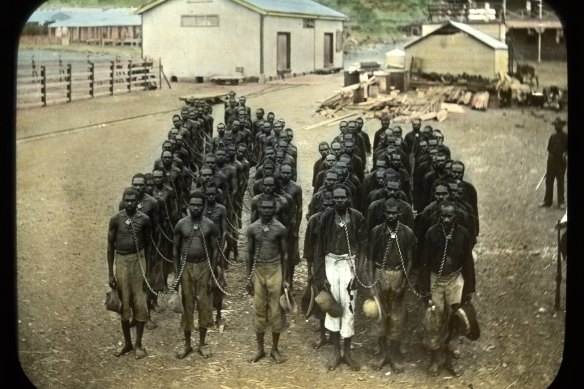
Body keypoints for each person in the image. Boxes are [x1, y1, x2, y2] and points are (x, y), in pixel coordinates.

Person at [418, 201, 476, 377]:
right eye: (443, 215)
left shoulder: (463, 234)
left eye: (450, 216)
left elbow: (468, 262)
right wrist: (424, 290)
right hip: (436, 279)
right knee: (435, 319)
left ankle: (449, 360)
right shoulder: (431, 233)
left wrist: (469, 288)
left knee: (454, 321)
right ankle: (435, 360)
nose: (446, 219)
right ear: (439, 215)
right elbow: (425, 262)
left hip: (455, 280)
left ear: (455, 216)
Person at [314, 184, 366, 371]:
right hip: (330, 263)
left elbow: (362, 247)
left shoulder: (357, 217)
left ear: (348, 198)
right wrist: (321, 278)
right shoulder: (325, 218)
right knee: (332, 306)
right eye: (335, 198)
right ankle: (336, 353)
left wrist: (357, 273)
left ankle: (348, 353)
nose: (339, 201)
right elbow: (319, 248)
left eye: (342, 197)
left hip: (349, 264)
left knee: (349, 308)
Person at [368, 198, 417, 373]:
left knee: (397, 317)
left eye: (394, 213)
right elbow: (371, 259)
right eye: (388, 213)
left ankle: (394, 356)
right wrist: (372, 283)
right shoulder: (377, 232)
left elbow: (411, 260)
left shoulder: (407, 233)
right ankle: (382, 355)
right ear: (384, 214)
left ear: (399, 214)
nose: (391, 216)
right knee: (380, 315)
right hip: (381, 273)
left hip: (398, 274)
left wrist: (404, 284)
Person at [173, 192, 220, 359]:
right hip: (186, 267)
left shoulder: (209, 225)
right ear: (188, 205)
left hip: (204, 266)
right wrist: (177, 274)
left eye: (199, 205)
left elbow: (215, 251)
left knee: (205, 304)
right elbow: (176, 250)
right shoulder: (181, 225)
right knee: (187, 304)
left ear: (204, 206)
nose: (195, 208)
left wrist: (212, 274)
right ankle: (187, 344)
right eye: (193, 205)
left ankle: (201, 343)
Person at [107, 187, 152, 359]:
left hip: (138, 260)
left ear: (138, 201)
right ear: (123, 200)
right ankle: (127, 343)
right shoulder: (116, 220)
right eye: (127, 200)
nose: (130, 203)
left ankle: (139, 344)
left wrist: (146, 272)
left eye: (133, 200)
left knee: (139, 302)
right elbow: (110, 246)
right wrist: (111, 273)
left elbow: (148, 246)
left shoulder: (145, 220)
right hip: (122, 261)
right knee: (124, 302)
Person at [246, 195, 289, 364]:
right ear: (258, 209)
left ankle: (275, 349)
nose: (266, 211)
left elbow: (285, 254)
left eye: (270, 208)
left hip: (275, 269)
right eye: (263, 208)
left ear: (274, 209)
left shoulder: (280, 229)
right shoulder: (252, 229)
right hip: (258, 270)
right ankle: (260, 349)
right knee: (259, 308)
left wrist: (285, 278)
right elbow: (249, 254)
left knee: (277, 309)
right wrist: (248, 276)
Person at [540, 117, 568, 209]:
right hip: (551, 162)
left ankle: (561, 203)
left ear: (562, 126)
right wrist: (549, 165)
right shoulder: (552, 136)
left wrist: (565, 154)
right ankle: (548, 201)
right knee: (549, 181)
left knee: (560, 182)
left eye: (558, 124)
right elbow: (549, 151)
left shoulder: (565, 136)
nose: (557, 126)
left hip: (561, 163)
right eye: (555, 125)